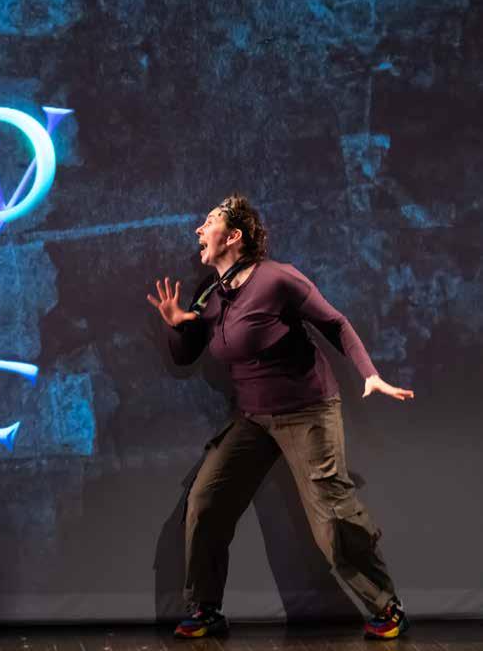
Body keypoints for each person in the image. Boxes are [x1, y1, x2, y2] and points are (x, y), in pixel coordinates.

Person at [146, 193, 414, 640]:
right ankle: (205, 609)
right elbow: (184, 356)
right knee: (206, 501)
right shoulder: (211, 293)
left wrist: (370, 374)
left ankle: (387, 607)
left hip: (308, 410)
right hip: (254, 417)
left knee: (331, 516)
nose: (198, 230)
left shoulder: (277, 279)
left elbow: (335, 323)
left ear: (234, 236)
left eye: (209, 222)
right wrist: (177, 325)